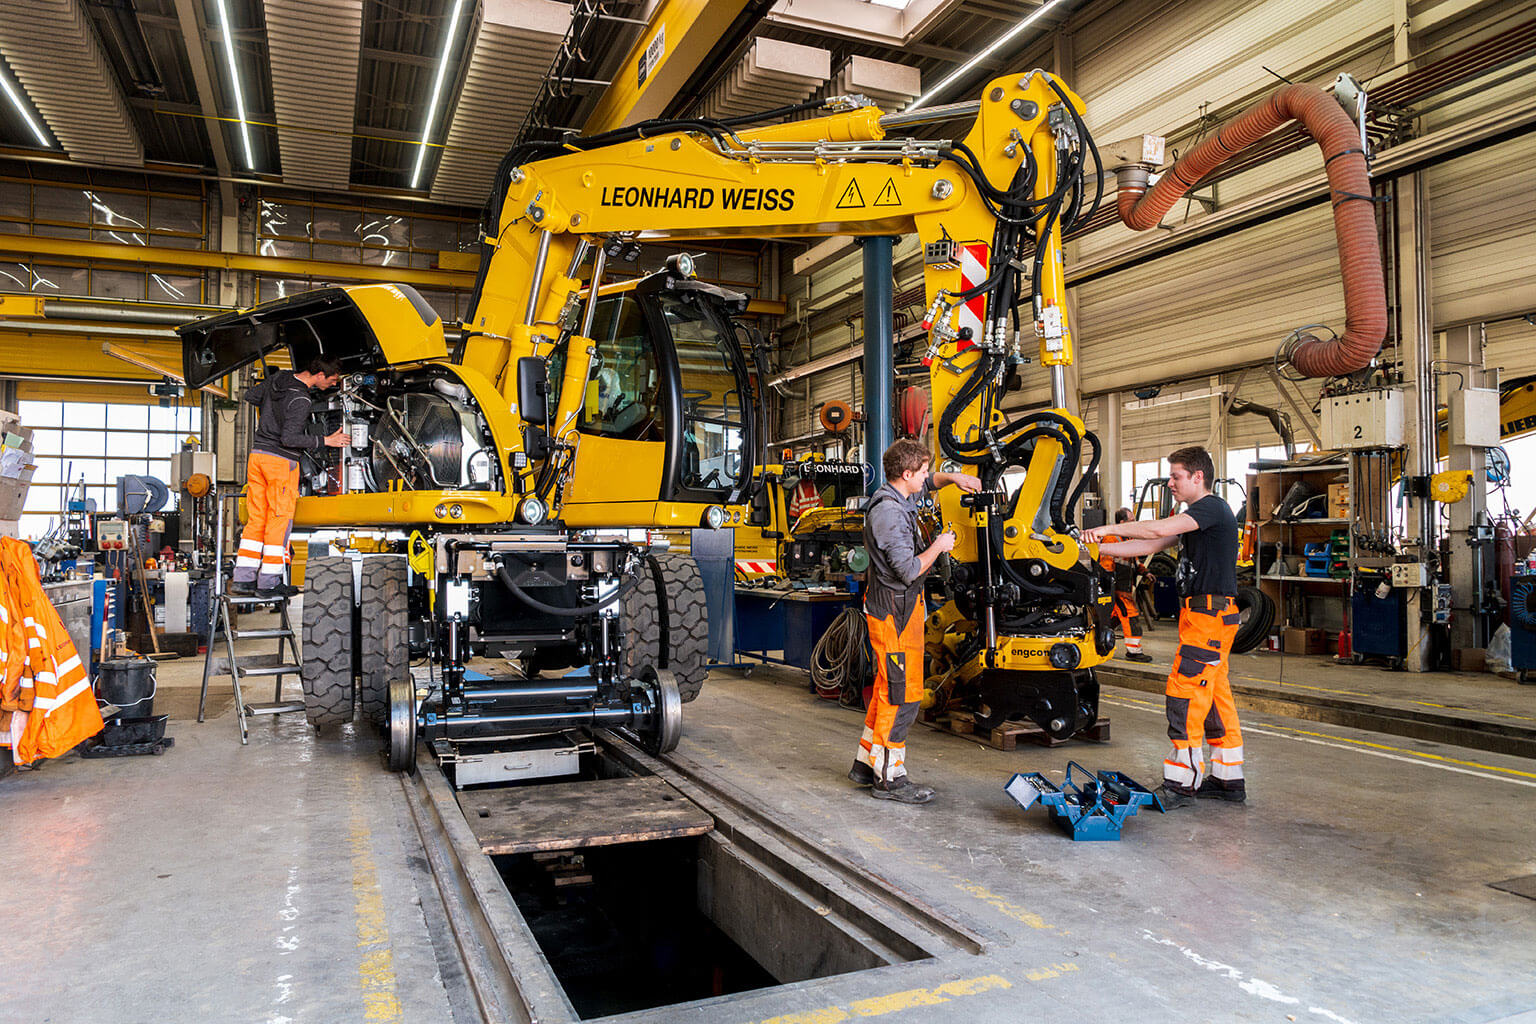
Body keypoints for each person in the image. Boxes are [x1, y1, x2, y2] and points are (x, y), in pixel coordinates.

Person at [1082, 446, 1245, 808]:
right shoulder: (1195, 520)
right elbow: (1152, 542)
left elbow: (1156, 527)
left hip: (1209, 616)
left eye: (1176, 476)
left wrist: (1107, 528)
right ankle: (1228, 778)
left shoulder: (1211, 508)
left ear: (1198, 477)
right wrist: (1098, 548)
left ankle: (1182, 782)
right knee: (1215, 696)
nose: (1170, 482)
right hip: (1206, 616)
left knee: (1184, 692)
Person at [849, 438, 980, 804]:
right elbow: (907, 570)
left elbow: (929, 484)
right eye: (923, 471)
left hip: (900, 607)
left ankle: (865, 764)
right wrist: (940, 546)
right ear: (906, 474)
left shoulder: (899, 496)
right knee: (901, 694)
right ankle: (889, 777)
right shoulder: (888, 514)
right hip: (895, 612)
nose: (927, 477)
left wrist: (953, 478)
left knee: (885, 688)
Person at [231, 357, 348, 597]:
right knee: (279, 520)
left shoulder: (279, 378)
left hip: (258, 457)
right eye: (333, 380)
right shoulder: (301, 399)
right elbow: (289, 438)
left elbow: (251, 396)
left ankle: (243, 579)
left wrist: (272, 411)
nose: (334, 384)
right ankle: (268, 582)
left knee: (257, 519)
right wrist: (326, 440)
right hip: (280, 462)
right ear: (319, 375)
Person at [1098, 506, 1152, 662]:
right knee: (1130, 615)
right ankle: (1134, 651)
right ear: (1122, 522)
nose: (1134, 522)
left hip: (1124, 588)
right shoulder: (1111, 539)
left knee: (1112, 619)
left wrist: (1145, 572)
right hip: (1118, 589)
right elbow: (1106, 566)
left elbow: (1134, 561)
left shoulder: (1127, 539)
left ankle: (1098, 642)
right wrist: (1109, 588)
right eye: (1131, 520)